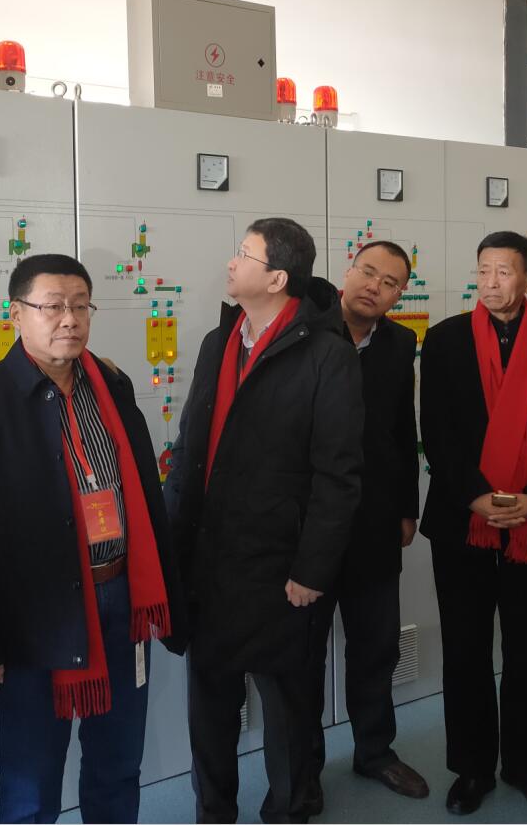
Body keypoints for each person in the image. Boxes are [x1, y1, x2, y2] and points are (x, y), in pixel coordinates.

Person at [0, 253, 186, 824]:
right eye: (52, 306)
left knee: (119, 761)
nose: (69, 319)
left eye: (80, 306)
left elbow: (142, 494)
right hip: (35, 615)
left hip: (122, 598)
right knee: (31, 775)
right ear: (16, 314)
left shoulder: (113, 386)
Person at [166, 218, 364, 824]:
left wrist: (312, 570)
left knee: (288, 705)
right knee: (209, 700)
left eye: (244, 255)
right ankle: (213, 811)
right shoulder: (218, 342)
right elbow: (191, 444)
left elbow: (338, 476)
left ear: (277, 278)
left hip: (282, 566)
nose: (231, 263)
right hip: (211, 558)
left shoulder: (326, 354)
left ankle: (289, 808)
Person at [419, 231, 527, 816]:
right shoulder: (444, 340)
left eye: (504, 272)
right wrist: (474, 496)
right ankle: (471, 770)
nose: (491, 283)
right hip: (462, 522)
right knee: (465, 651)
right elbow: (436, 430)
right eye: (483, 271)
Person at [304, 240, 427, 807]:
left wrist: (407, 507)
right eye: (368, 272)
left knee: (376, 647)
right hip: (308, 527)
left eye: (390, 282)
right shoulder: (305, 332)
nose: (374, 286)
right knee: (303, 655)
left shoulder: (400, 343)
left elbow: (402, 430)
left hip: (375, 523)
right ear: (347, 271)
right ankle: (302, 768)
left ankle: (375, 752)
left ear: (400, 294)